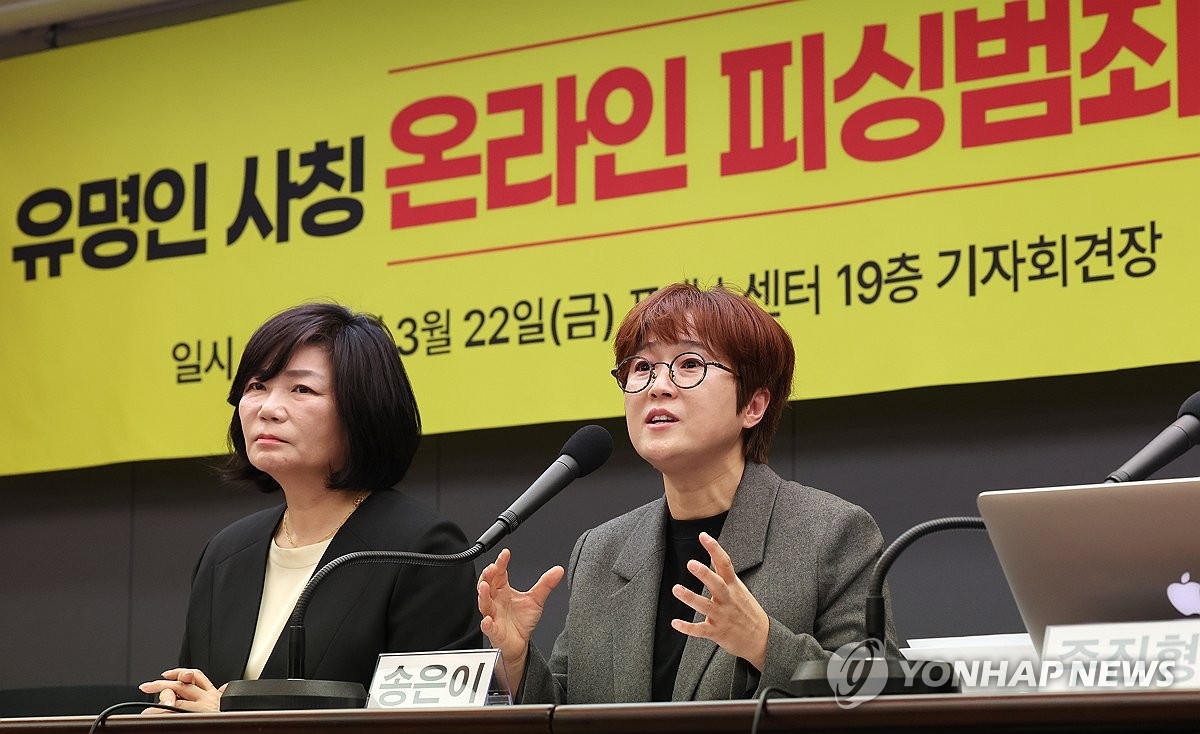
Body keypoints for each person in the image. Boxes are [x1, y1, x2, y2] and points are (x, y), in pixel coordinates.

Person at [477, 282, 898, 703]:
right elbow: (569, 711)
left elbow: (877, 694)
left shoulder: (831, 534)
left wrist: (763, 642)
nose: (658, 386)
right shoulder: (601, 552)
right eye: (641, 367)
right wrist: (516, 660)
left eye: (690, 364)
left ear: (753, 405)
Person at [140, 302, 482, 712]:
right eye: (256, 386)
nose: (268, 408)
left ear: (363, 410)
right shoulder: (226, 553)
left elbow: (430, 724)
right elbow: (202, 697)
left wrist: (230, 718)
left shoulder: (420, 549)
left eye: (301, 389)